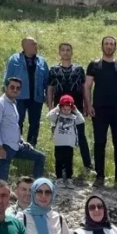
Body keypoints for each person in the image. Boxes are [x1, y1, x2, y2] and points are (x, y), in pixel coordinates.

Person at [84, 36, 117, 185]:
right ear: (102, 46)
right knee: (100, 142)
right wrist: (89, 105)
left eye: (111, 44)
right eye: (106, 44)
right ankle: (99, 176)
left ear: (115, 47)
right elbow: (87, 86)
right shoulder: (94, 65)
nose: (109, 46)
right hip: (99, 110)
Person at [47, 42, 92, 173]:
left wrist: (87, 105)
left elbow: (84, 88)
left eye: (68, 50)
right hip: (59, 110)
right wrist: (50, 107)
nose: (66, 52)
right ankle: (62, 168)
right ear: (59, 53)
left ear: (71, 53)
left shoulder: (78, 69)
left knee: (81, 136)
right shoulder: (54, 69)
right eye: (63, 50)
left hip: (75, 108)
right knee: (62, 139)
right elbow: (50, 88)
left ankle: (88, 165)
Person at [0, 77, 46, 181]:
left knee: (40, 157)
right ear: (6, 88)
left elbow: (13, 127)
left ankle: (36, 188)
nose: (15, 90)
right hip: (4, 146)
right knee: (2, 181)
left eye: (18, 88)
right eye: (12, 87)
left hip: (16, 146)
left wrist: (22, 141)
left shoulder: (13, 103)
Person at [4, 37, 49, 146]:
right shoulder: (14, 59)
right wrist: (7, 96)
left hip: (36, 97)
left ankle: (31, 147)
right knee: (17, 122)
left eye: (36, 44)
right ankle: (15, 145)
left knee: (34, 124)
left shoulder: (42, 61)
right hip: (18, 97)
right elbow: (7, 79)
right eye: (33, 44)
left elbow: (47, 81)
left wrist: (48, 96)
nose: (36, 46)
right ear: (25, 46)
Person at [47, 95, 86, 186]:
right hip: (59, 143)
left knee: (69, 161)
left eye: (69, 110)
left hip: (69, 144)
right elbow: (49, 116)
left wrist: (76, 111)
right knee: (59, 161)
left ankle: (69, 178)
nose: (66, 112)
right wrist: (57, 108)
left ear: (71, 108)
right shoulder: (57, 116)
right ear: (61, 108)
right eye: (64, 109)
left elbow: (82, 121)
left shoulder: (73, 117)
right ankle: (59, 178)